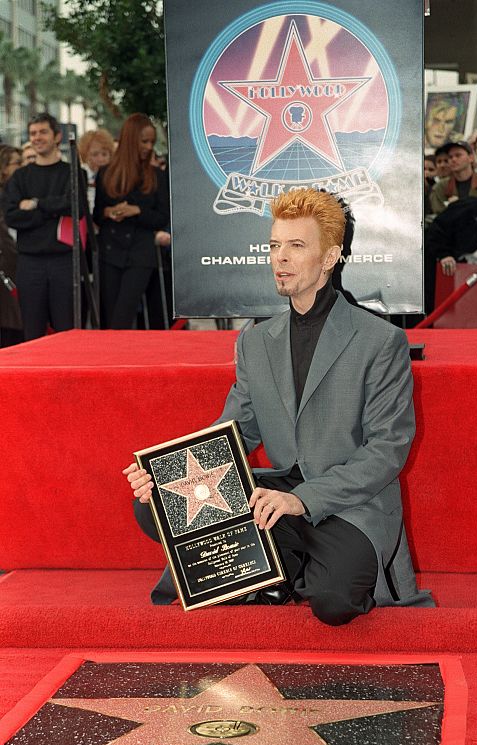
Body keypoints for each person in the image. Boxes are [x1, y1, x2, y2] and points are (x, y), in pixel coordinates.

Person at [123, 188, 433, 626]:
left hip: (348, 501)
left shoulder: (380, 341)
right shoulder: (254, 340)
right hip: (278, 494)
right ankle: (278, 564)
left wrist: (302, 500)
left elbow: (386, 452)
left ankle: (285, 571)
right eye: (274, 245)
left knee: (335, 604)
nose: (279, 258)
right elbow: (236, 428)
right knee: (156, 501)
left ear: (329, 258)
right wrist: (165, 471)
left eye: (295, 246)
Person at [1, 113, 79, 341]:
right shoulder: (20, 177)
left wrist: (36, 204)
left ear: (57, 136)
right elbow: (13, 216)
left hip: (64, 261)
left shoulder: (73, 173)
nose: (37, 138)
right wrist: (52, 211)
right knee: (32, 331)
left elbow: (76, 208)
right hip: (30, 263)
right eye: (33, 133)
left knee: (67, 331)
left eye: (42, 132)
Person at [93, 113, 169, 329]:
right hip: (110, 252)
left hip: (141, 253)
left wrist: (136, 210)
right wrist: (109, 212)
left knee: (122, 316)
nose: (148, 147)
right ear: (130, 140)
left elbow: (162, 217)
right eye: (144, 141)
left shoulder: (156, 175)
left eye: (151, 142)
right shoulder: (106, 173)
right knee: (109, 317)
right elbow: (97, 214)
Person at [430, 140, 477, 216]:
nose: (453, 159)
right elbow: (439, 215)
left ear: (471, 158)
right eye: (450, 157)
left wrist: (458, 205)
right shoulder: (440, 187)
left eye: (458, 155)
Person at [0, 146, 23, 346]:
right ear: (4, 168)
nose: (22, 167)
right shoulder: (4, 196)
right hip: (7, 269)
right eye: (17, 162)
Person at [78, 128, 114, 212]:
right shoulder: (79, 176)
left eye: (104, 154)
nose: (101, 159)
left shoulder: (114, 177)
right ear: (85, 155)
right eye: (95, 154)